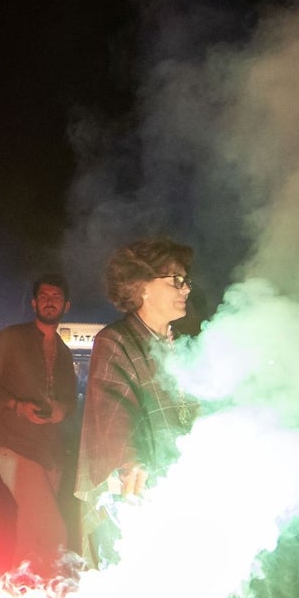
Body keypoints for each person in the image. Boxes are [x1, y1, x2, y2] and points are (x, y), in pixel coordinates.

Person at [74, 237, 201, 570]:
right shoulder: (116, 339)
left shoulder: (182, 342)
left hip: (179, 482)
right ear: (142, 286)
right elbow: (113, 408)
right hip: (128, 487)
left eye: (186, 280)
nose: (186, 288)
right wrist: (130, 461)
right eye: (176, 280)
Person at [0, 272, 79, 575]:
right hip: (16, 445)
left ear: (67, 305)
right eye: (45, 297)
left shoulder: (63, 351)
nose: (50, 302)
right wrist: (16, 405)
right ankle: (59, 595)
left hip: (49, 452)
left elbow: (71, 399)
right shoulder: (13, 337)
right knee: (54, 534)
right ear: (35, 302)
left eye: (56, 298)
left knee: (30, 541)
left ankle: (18, 595)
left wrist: (62, 409)